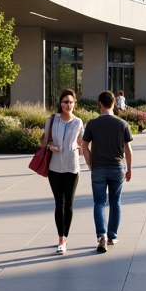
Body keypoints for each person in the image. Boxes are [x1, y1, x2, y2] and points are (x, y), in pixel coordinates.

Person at [79, 90, 133, 254]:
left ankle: (101, 234)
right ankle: (112, 235)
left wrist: (90, 163)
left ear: (99, 104)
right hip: (117, 167)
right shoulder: (122, 124)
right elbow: (128, 150)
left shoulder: (92, 124)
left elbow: (84, 146)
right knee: (115, 202)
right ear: (114, 103)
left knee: (99, 202)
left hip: (99, 168)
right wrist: (129, 169)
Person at [42, 89, 84, 254]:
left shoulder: (78, 122)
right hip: (54, 167)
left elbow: (82, 142)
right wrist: (51, 146)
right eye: (65, 102)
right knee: (59, 203)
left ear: (75, 104)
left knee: (69, 204)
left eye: (71, 102)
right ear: (60, 103)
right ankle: (61, 238)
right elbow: (44, 142)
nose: (68, 105)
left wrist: (78, 147)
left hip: (72, 167)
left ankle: (65, 236)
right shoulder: (52, 119)